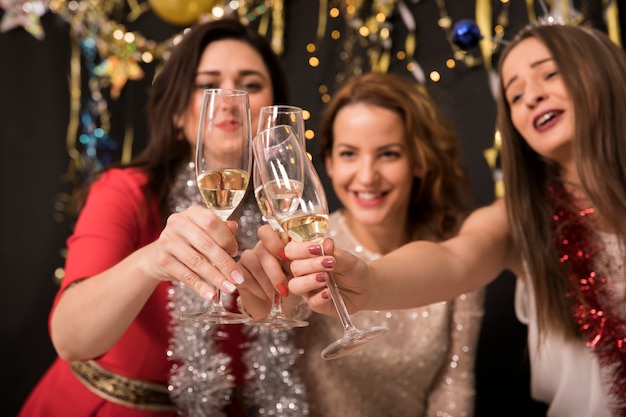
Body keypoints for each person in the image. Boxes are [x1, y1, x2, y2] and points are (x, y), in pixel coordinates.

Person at [272, 23, 626, 417]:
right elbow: (452, 260)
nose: (532, 97)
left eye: (550, 73)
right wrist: (369, 282)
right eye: (515, 94)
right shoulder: (517, 219)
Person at [18, 18, 295, 417]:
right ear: (180, 112)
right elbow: (71, 340)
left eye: (250, 84)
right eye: (208, 84)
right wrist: (153, 260)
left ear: (273, 116)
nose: (232, 98)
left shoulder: (286, 211)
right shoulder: (125, 190)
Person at [238, 72, 484, 416]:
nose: (367, 176)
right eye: (349, 154)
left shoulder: (454, 256)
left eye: (388, 154)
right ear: (330, 164)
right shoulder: (309, 244)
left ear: (419, 160)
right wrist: (265, 299)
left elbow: (454, 386)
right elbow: (283, 311)